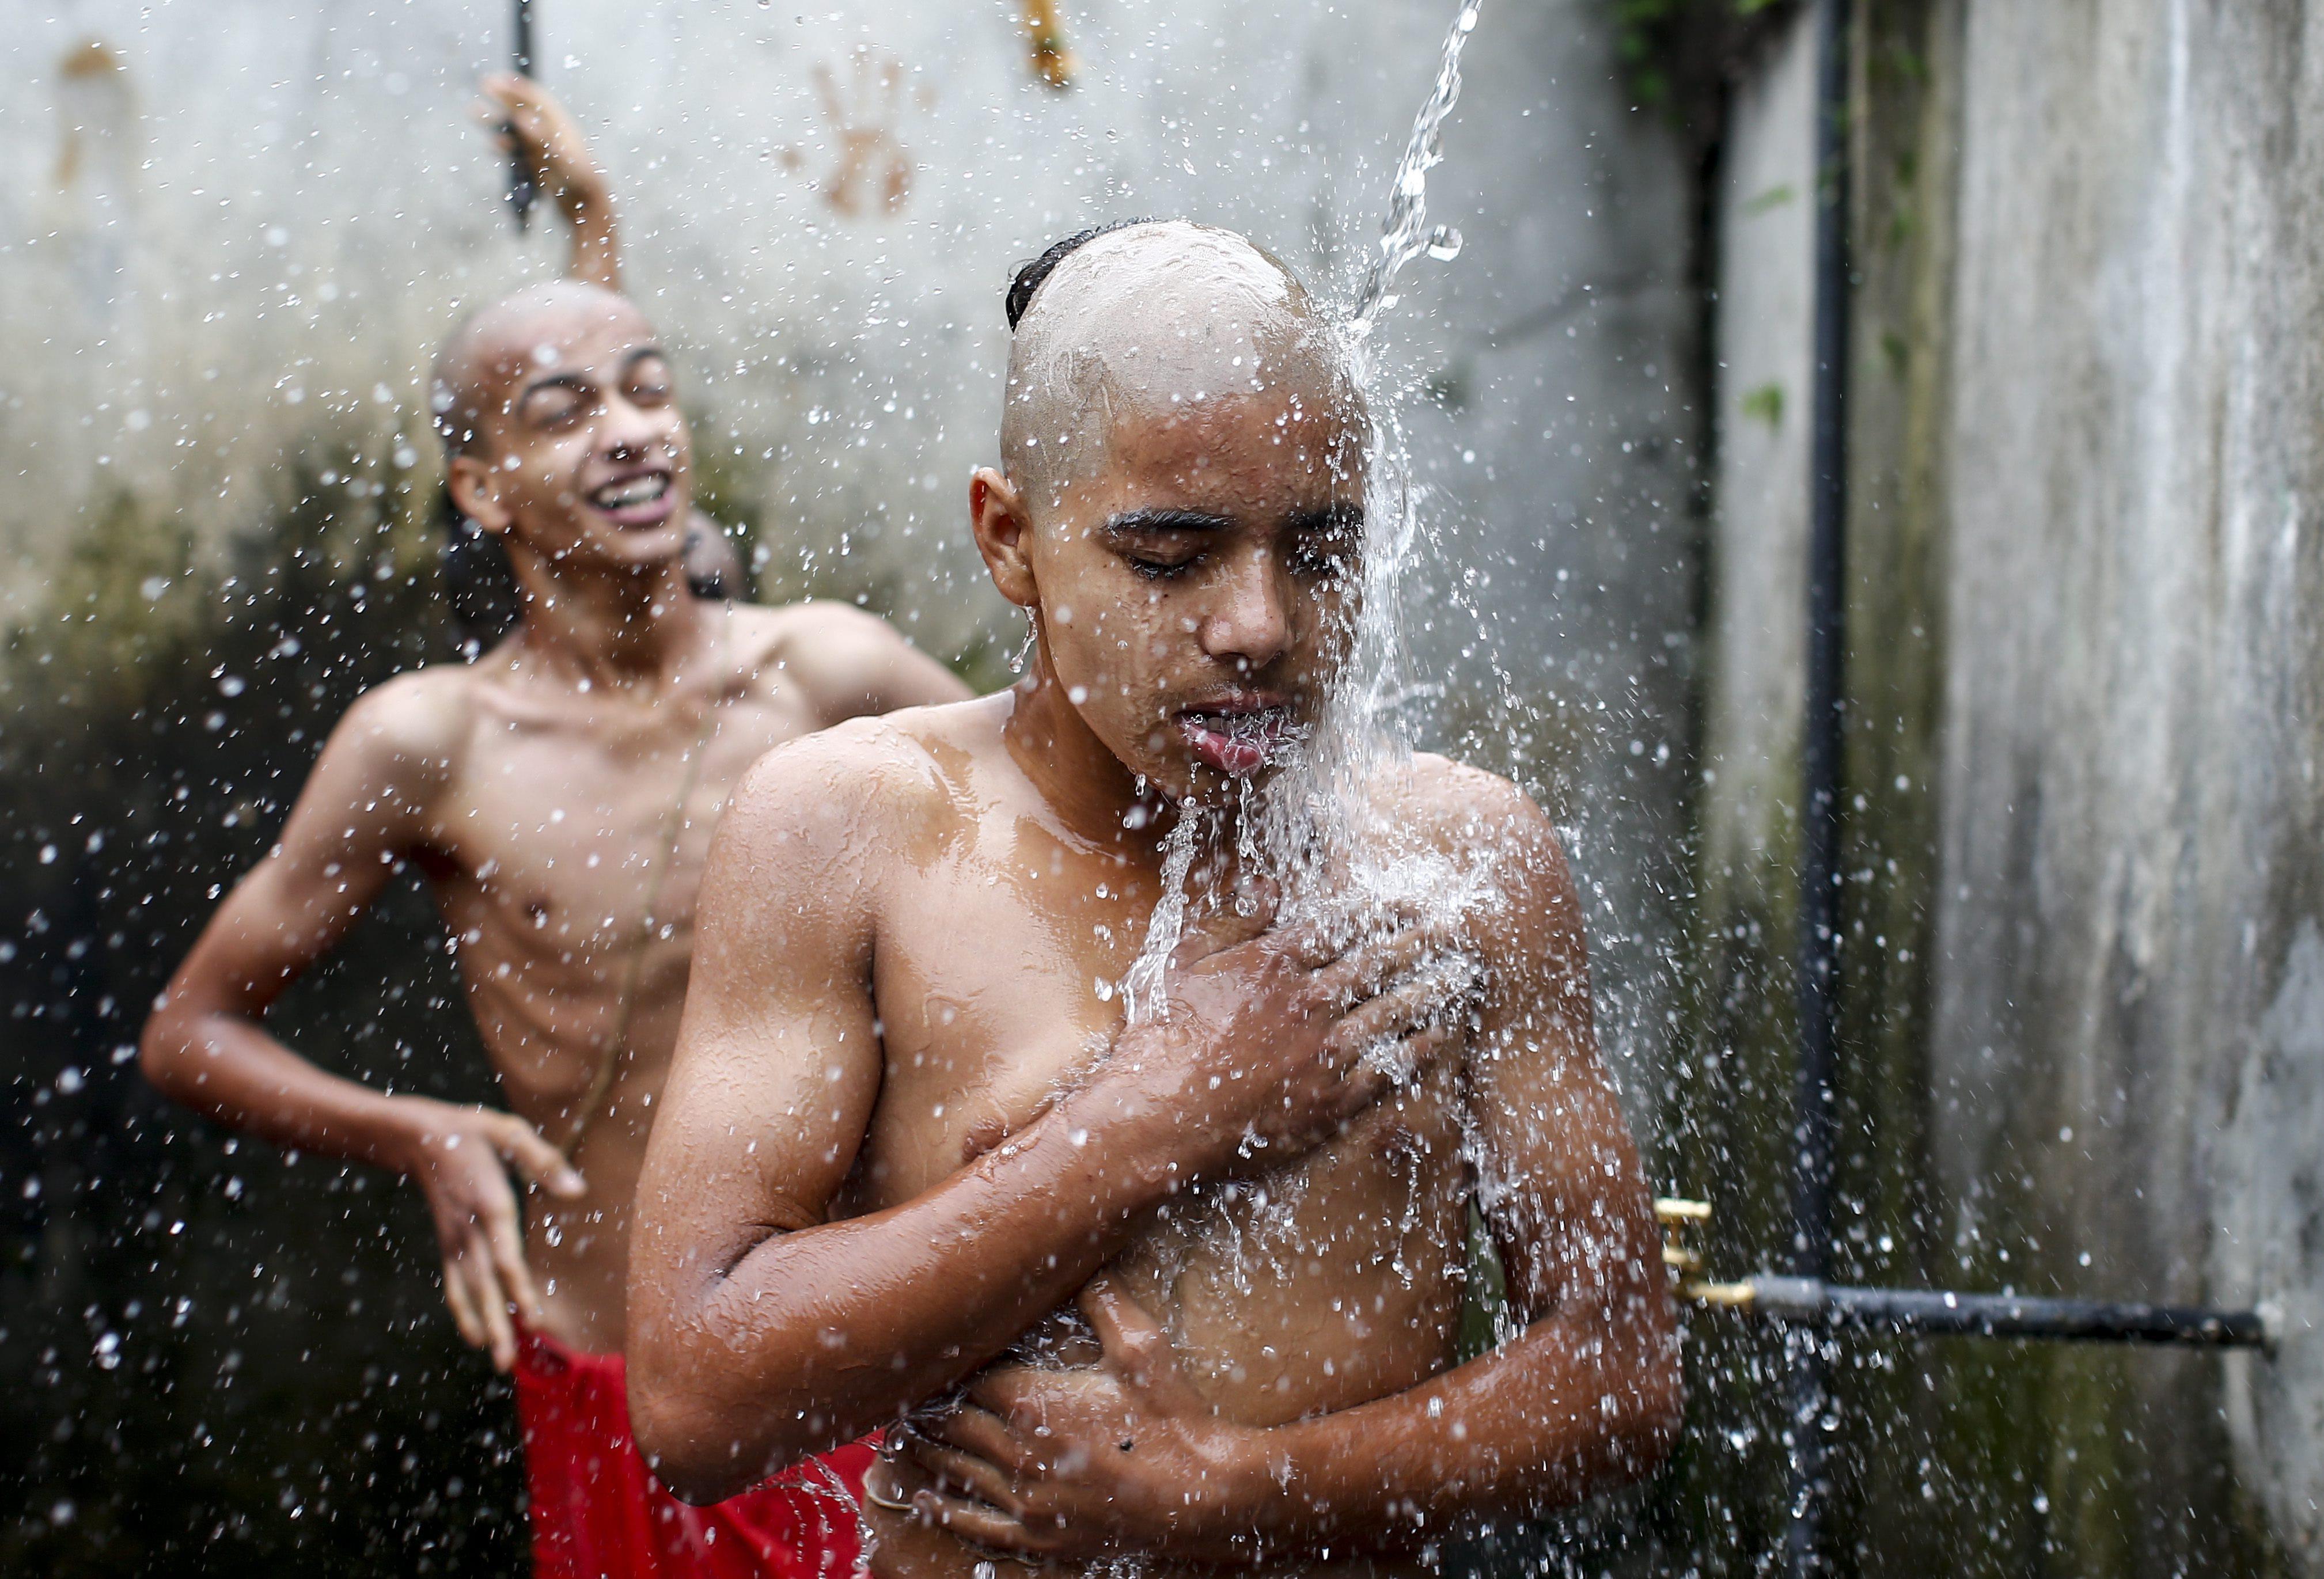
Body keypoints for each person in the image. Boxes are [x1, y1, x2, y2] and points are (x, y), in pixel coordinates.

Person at [627, 220, 1681, 1577]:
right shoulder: (852, 833)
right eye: (1172, 557)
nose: (1259, 626)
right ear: (1010, 540)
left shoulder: (1465, 861)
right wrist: (1157, 1114)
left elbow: (1617, 1377)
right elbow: (697, 1403)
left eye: (1316, 550)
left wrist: (1229, 1493)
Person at [138, 75, 970, 1579]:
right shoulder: (434, 745)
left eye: (652, 388)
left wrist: (597, 226)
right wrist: (421, 1134)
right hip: (618, 1385)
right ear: (481, 488)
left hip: (862, 1362)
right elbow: (191, 1031)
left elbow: (1061, 820)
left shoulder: (821, 674)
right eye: (566, 414)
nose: (630, 430)